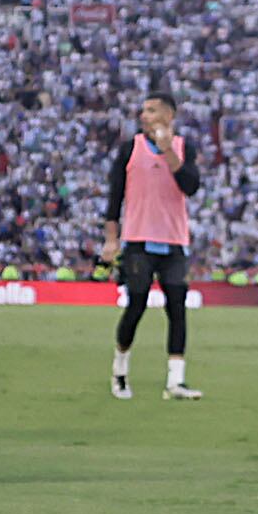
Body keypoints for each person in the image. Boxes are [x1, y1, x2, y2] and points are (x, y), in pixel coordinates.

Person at [102, 92, 204, 398]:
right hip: (138, 240)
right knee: (136, 305)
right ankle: (120, 370)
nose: (144, 115)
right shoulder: (129, 148)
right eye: (143, 110)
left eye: (152, 110)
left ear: (169, 116)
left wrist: (168, 151)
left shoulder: (185, 147)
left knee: (177, 310)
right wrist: (111, 239)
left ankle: (176, 381)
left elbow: (191, 186)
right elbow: (114, 196)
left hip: (174, 241)